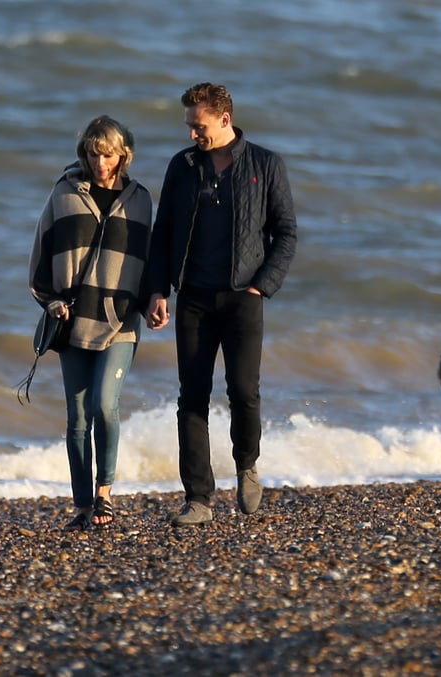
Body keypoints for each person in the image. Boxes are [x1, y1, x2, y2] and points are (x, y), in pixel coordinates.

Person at [144, 83, 298, 526]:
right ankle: (199, 498)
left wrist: (262, 286)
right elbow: (164, 232)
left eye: (200, 125)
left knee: (243, 392)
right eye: (190, 126)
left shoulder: (266, 165)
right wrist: (158, 290)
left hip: (243, 298)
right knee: (191, 397)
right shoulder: (183, 166)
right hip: (192, 296)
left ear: (224, 119)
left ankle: (247, 466)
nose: (193, 133)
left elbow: (285, 233)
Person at [28, 116, 153, 531]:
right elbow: (41, 255)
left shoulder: (140, 200)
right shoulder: (63, 193)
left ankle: (105, 494)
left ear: (124, 155)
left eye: (108, 155)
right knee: (77, 417)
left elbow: (151, 261)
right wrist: (50, 303)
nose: (100, 162)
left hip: (121, 321)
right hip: (72, 321)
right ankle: (82, 505)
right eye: (93, 153)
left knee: (104, 404)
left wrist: (156, 298)